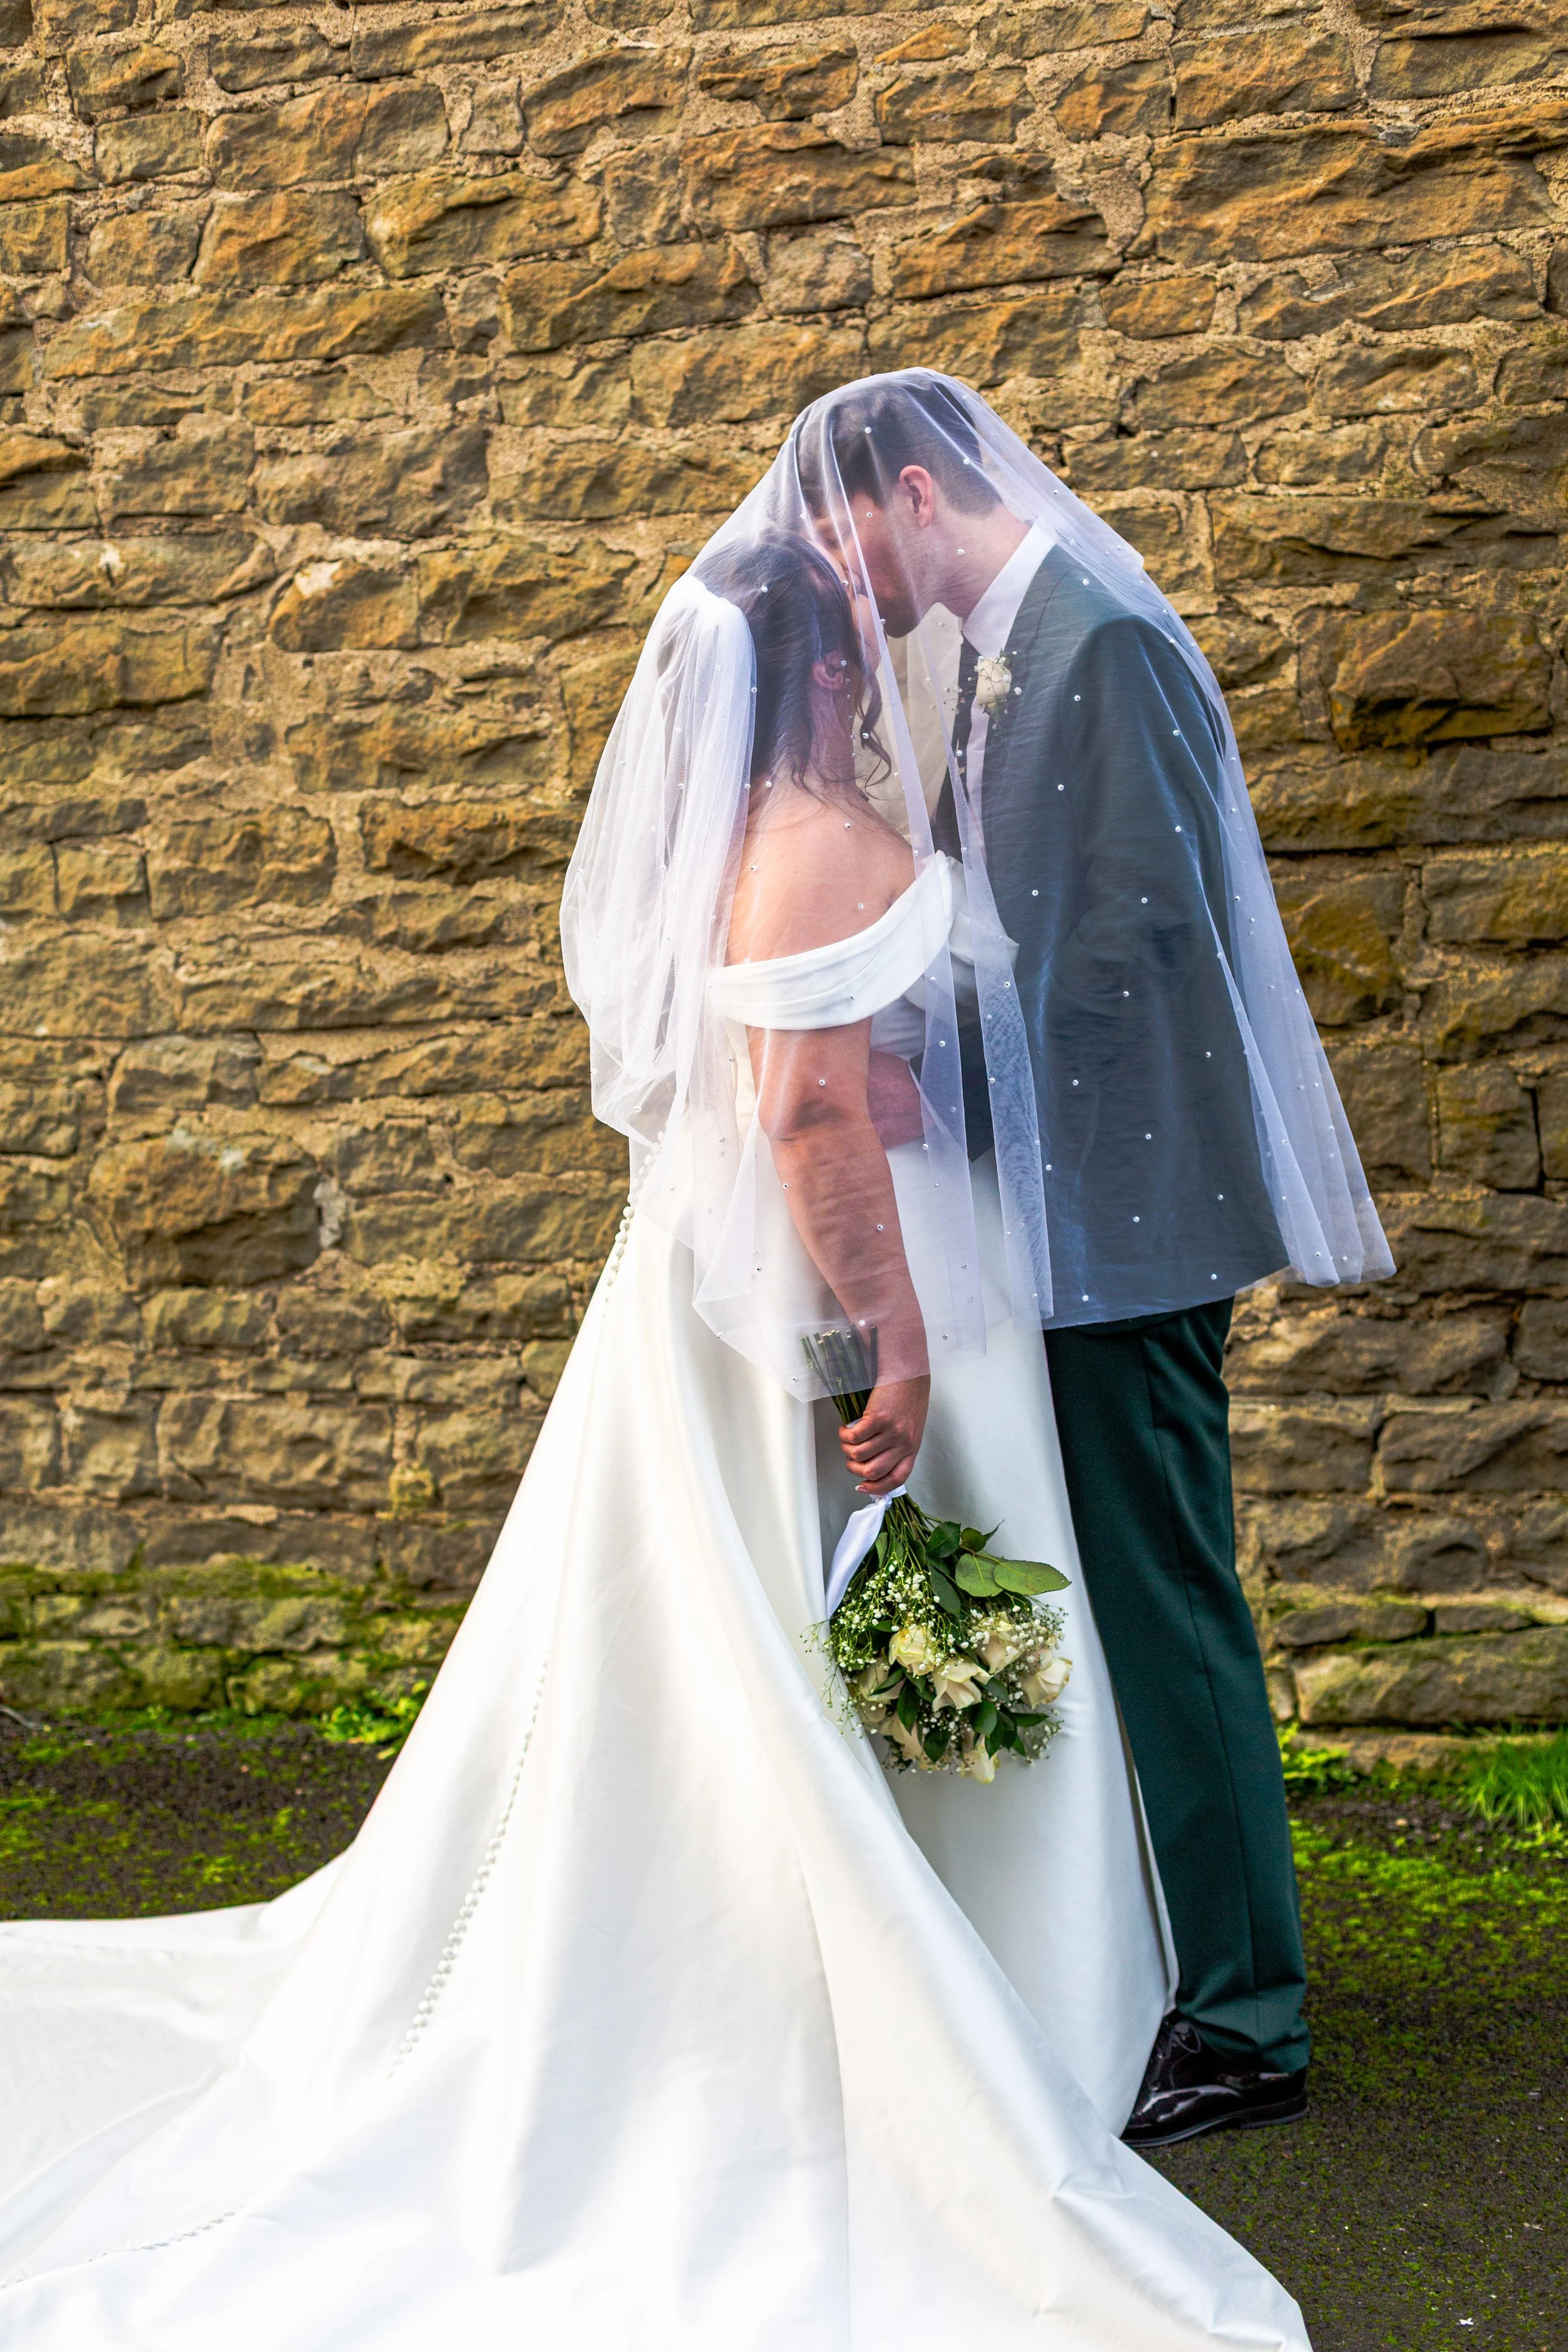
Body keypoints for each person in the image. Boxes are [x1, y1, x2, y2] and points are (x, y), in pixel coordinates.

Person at [0, 437, 1315, 2351]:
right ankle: (908, 1961)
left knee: (810, 1621)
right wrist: (906, 1321)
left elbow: (1090, 952)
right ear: (829, 664)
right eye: (855, 628)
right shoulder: (825, 844)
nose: (882, 627)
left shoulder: (992, 704)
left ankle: (1091, 1968)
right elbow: (806, 1100)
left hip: (967, 1260)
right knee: (802, 1623)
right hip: (868, 1290)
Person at [793, 372, 1392, 2148]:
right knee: (1118, 1575)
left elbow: (1126, 952)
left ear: (913, 489)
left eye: (842, 531)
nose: (840, 572)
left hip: (1130, 1210)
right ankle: (1159, 1947)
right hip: (1069, 1202)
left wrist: (931, 1086)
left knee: (1161, 1588)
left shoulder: (1099, 638)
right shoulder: (1003, 639)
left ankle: (1244, 2016)